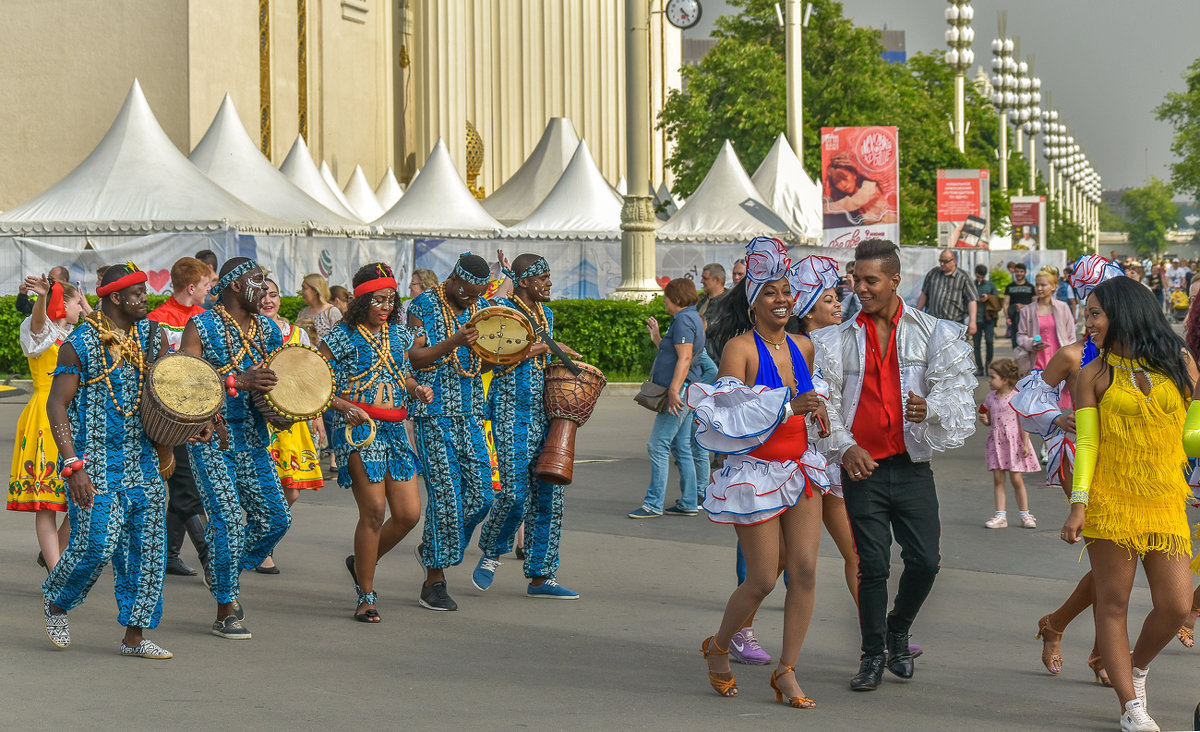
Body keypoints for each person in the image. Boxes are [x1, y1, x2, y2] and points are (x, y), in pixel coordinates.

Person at [810, 238, 976, 692]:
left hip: (911, 467)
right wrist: (845, 448)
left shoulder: (933, 331)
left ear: (894, 281)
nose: (859, 288)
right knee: (873, 566)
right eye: (855, 280)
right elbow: (821, 402)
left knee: (925, 562)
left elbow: (957, 393)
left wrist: (932, 407)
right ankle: (871, 656)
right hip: (861, 469)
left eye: (870, 280)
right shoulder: (833, 339)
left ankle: (897, 629)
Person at [690, 236, 831, 707]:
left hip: (799, 466)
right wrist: (793, 405)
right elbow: (733, 416)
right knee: (764, 578)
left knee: (806, 570)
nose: (782, 299)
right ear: (753, 301)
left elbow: (808, 400)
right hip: (755, 472)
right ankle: (718, 646)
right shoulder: (739, 349)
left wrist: (817, 413)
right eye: (770, 291)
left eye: (787, 291)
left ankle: (786, 672)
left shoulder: (804, 346)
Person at [1066, 276, 1197, 732]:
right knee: (1114, 604)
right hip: (1110, 501)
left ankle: (1136, 669)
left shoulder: (1179, 364)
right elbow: (1086, 445)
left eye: (1095, 314)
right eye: (1088, 314)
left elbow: (1194, 435)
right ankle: (1130, 707)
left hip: (1165, 501)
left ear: (1124, 313)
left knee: (1177, 605)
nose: (1090, 323)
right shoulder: (1094, 373)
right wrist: (1078, 504)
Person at [41, 263, 175, 658]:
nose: (145, 299)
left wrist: (196, 421)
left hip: (145, 462)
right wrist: (73, 465)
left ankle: (135, 638)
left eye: (144, 292)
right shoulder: (80, 342)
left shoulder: (152, 337)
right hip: (95, 464)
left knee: (149, 552)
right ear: (115, 297)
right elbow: (57, 405)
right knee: (95, 546)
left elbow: (172, 388)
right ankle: (57, 601)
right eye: (136, 293)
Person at [1011, 255, 1124, 685]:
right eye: (1094, 306)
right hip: (1079, 460)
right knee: (1111, 559)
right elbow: (1025, 401)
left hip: (1129, 463)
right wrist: (1056, 418)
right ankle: (1100, 654)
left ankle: (1057, 624)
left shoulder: (1141, 354)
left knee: (1116, 561)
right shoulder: (1074, 356)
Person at [179, 258, 291, 640]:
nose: (264, 285)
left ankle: (222, 571)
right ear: (232, 285)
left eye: (265, 279)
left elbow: (277, 390)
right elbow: (185, 385)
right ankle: (226, 608)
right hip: (212, 438)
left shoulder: (270, 331)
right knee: (227, 520)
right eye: (255, 279)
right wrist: (236, 381)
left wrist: (282, 412)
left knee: (277, 520)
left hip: (256, 441)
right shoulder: (201, 325)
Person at [472, 253, 584, 599]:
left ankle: (541, 576)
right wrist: (541, 348)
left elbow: (542, 363)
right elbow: (492, 358)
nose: (549, 283)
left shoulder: (546, 314)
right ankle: (491, 552)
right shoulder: (501, 311)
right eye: (542, 277)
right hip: (509, 412)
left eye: (549, 276)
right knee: (515, 494)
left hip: (543, 413)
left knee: (550, 494)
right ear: (523, 281)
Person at [321, 263, 428, 622]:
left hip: (396, 431)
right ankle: (366, 594)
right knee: (373, 513)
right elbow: (316, 383)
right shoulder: (340, 337)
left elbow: (406, 376)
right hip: (358, 430)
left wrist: (418, 389)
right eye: (378, 300)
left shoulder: (399, 336)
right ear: (361, 299)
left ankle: (360, 561)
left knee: (409, 514)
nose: (385, 306)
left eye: (390, 300)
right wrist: (343, 406)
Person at [406, 253, 495, 612]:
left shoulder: (484, 308)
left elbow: (485, 359)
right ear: (455, 281)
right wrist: (455, 342)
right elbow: (414, 357)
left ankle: (433, 548)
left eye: (478, 294)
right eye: (467, 293)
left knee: (482, 496)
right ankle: (434, 580)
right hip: (433, 414)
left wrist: (504, 353)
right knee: (445, 499)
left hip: (471, 414)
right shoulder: (422, 306)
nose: (472, 301)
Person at [8, 276, 84, 573]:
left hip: (75, 418)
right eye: (78, 301)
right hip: (45, 415)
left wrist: (86, 307)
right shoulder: (42, 332)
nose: (82, 306)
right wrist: (43, 298)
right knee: (46, 500)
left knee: (83, 499)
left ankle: (52, 553)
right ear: (63, 304)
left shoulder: (75, 334)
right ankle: (56, 573)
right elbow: (39, 323)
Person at [253, 277, 326, 574]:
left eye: (273, 294)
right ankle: (262, 545)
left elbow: (309, 379)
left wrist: (316, 416)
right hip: (259, 419)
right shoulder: (248, 333)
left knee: (291, 491)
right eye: (262, 296)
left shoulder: (297, 334)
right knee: (261, 487)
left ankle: (263, 539)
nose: (268, 300)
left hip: (293, 421)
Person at [147, 257, 214, 578]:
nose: (210, 290)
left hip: (200, 413)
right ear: (191, 287)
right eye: (206, 285)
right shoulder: (156, 320)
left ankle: (169, 554)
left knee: (185, 485)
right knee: (186, 485)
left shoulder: (205, 317)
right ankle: (210, 558)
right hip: (169, 416)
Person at [628, 278, 705, 519]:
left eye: (667, 296)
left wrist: (674, 390)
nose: (664, 300)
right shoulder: (692, 318)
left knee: (658, 444)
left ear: (677, 299)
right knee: (681, 446)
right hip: (689, 388)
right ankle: (690, 501)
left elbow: (684, 358)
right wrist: (658, 339)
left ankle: (653, 504)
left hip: (680, 390)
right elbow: (680, 354)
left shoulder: (683, 320)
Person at [978, 358, 1040, 529]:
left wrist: (1026, 443)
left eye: (993, 377)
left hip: (1014, 443)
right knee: (998, 479)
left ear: (1005, 379)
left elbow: (1023, 423)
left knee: (1017, 479)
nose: (989, 381)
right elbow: (990, 420)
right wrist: (984, 419)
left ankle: (1025, 514)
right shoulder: (990, 398)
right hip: (997, 443)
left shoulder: (1016, 398)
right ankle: (1000, 515)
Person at [1015, 267, 1077, 377]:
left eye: (1043, 285)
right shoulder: (1027, 311)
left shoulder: (1063, 308)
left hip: (1060, 364)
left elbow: (1071, 337)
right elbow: (1020, 336)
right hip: (1036, 365)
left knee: (1061, 394)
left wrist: (1071, 358)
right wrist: (1032, 343)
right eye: (1037, 285)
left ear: (1053, 286)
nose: (1039, 288)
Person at [915, 249, 978, 335]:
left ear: (954, 261)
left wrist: (972, 322)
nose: (942, 264)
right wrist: (916, 315)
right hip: (933, 323)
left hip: (954, 325)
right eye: (940, 261)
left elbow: (972, 300)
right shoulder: (933, 274)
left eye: (945, 261)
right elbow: (924, 295)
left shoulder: (963, 277)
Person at [822, 153, 897, 225]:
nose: (843, 184)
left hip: (887, 223)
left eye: (845, 178)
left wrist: (824, 208)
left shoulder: (869, 186)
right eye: (837, 182)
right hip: (869, 230)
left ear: (854, 174)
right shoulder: (847, 197)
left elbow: (852, 203)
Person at [297, 273, 342, 344]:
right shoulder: (302, 313)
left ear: (315, 290)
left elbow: (340, 340)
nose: (301, 292)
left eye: (304, 288)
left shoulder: (331, 312)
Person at [973, 264, 1000, 376]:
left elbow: (997, 299)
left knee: (989, 341)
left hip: (988, 318)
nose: (980, 279)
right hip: (976, 318)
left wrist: (988, 297)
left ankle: (988, 364)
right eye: (978, 277)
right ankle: (979, 367)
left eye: (982, 277)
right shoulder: (972, 285)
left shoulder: (990, 285)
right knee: (976, 344)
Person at [1003, 263, 1035, 349]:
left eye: (1021, 271)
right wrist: (1007, 318)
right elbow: (1006, 304)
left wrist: (1024, 306)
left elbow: (1035, 304)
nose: (1019, 273)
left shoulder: (1031, 287)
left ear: (1025, 272)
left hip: (1027, 320)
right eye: (1017, 271)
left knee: (1027, 344)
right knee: (1015, 345)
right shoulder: (1010, 287)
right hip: (1014, 320)